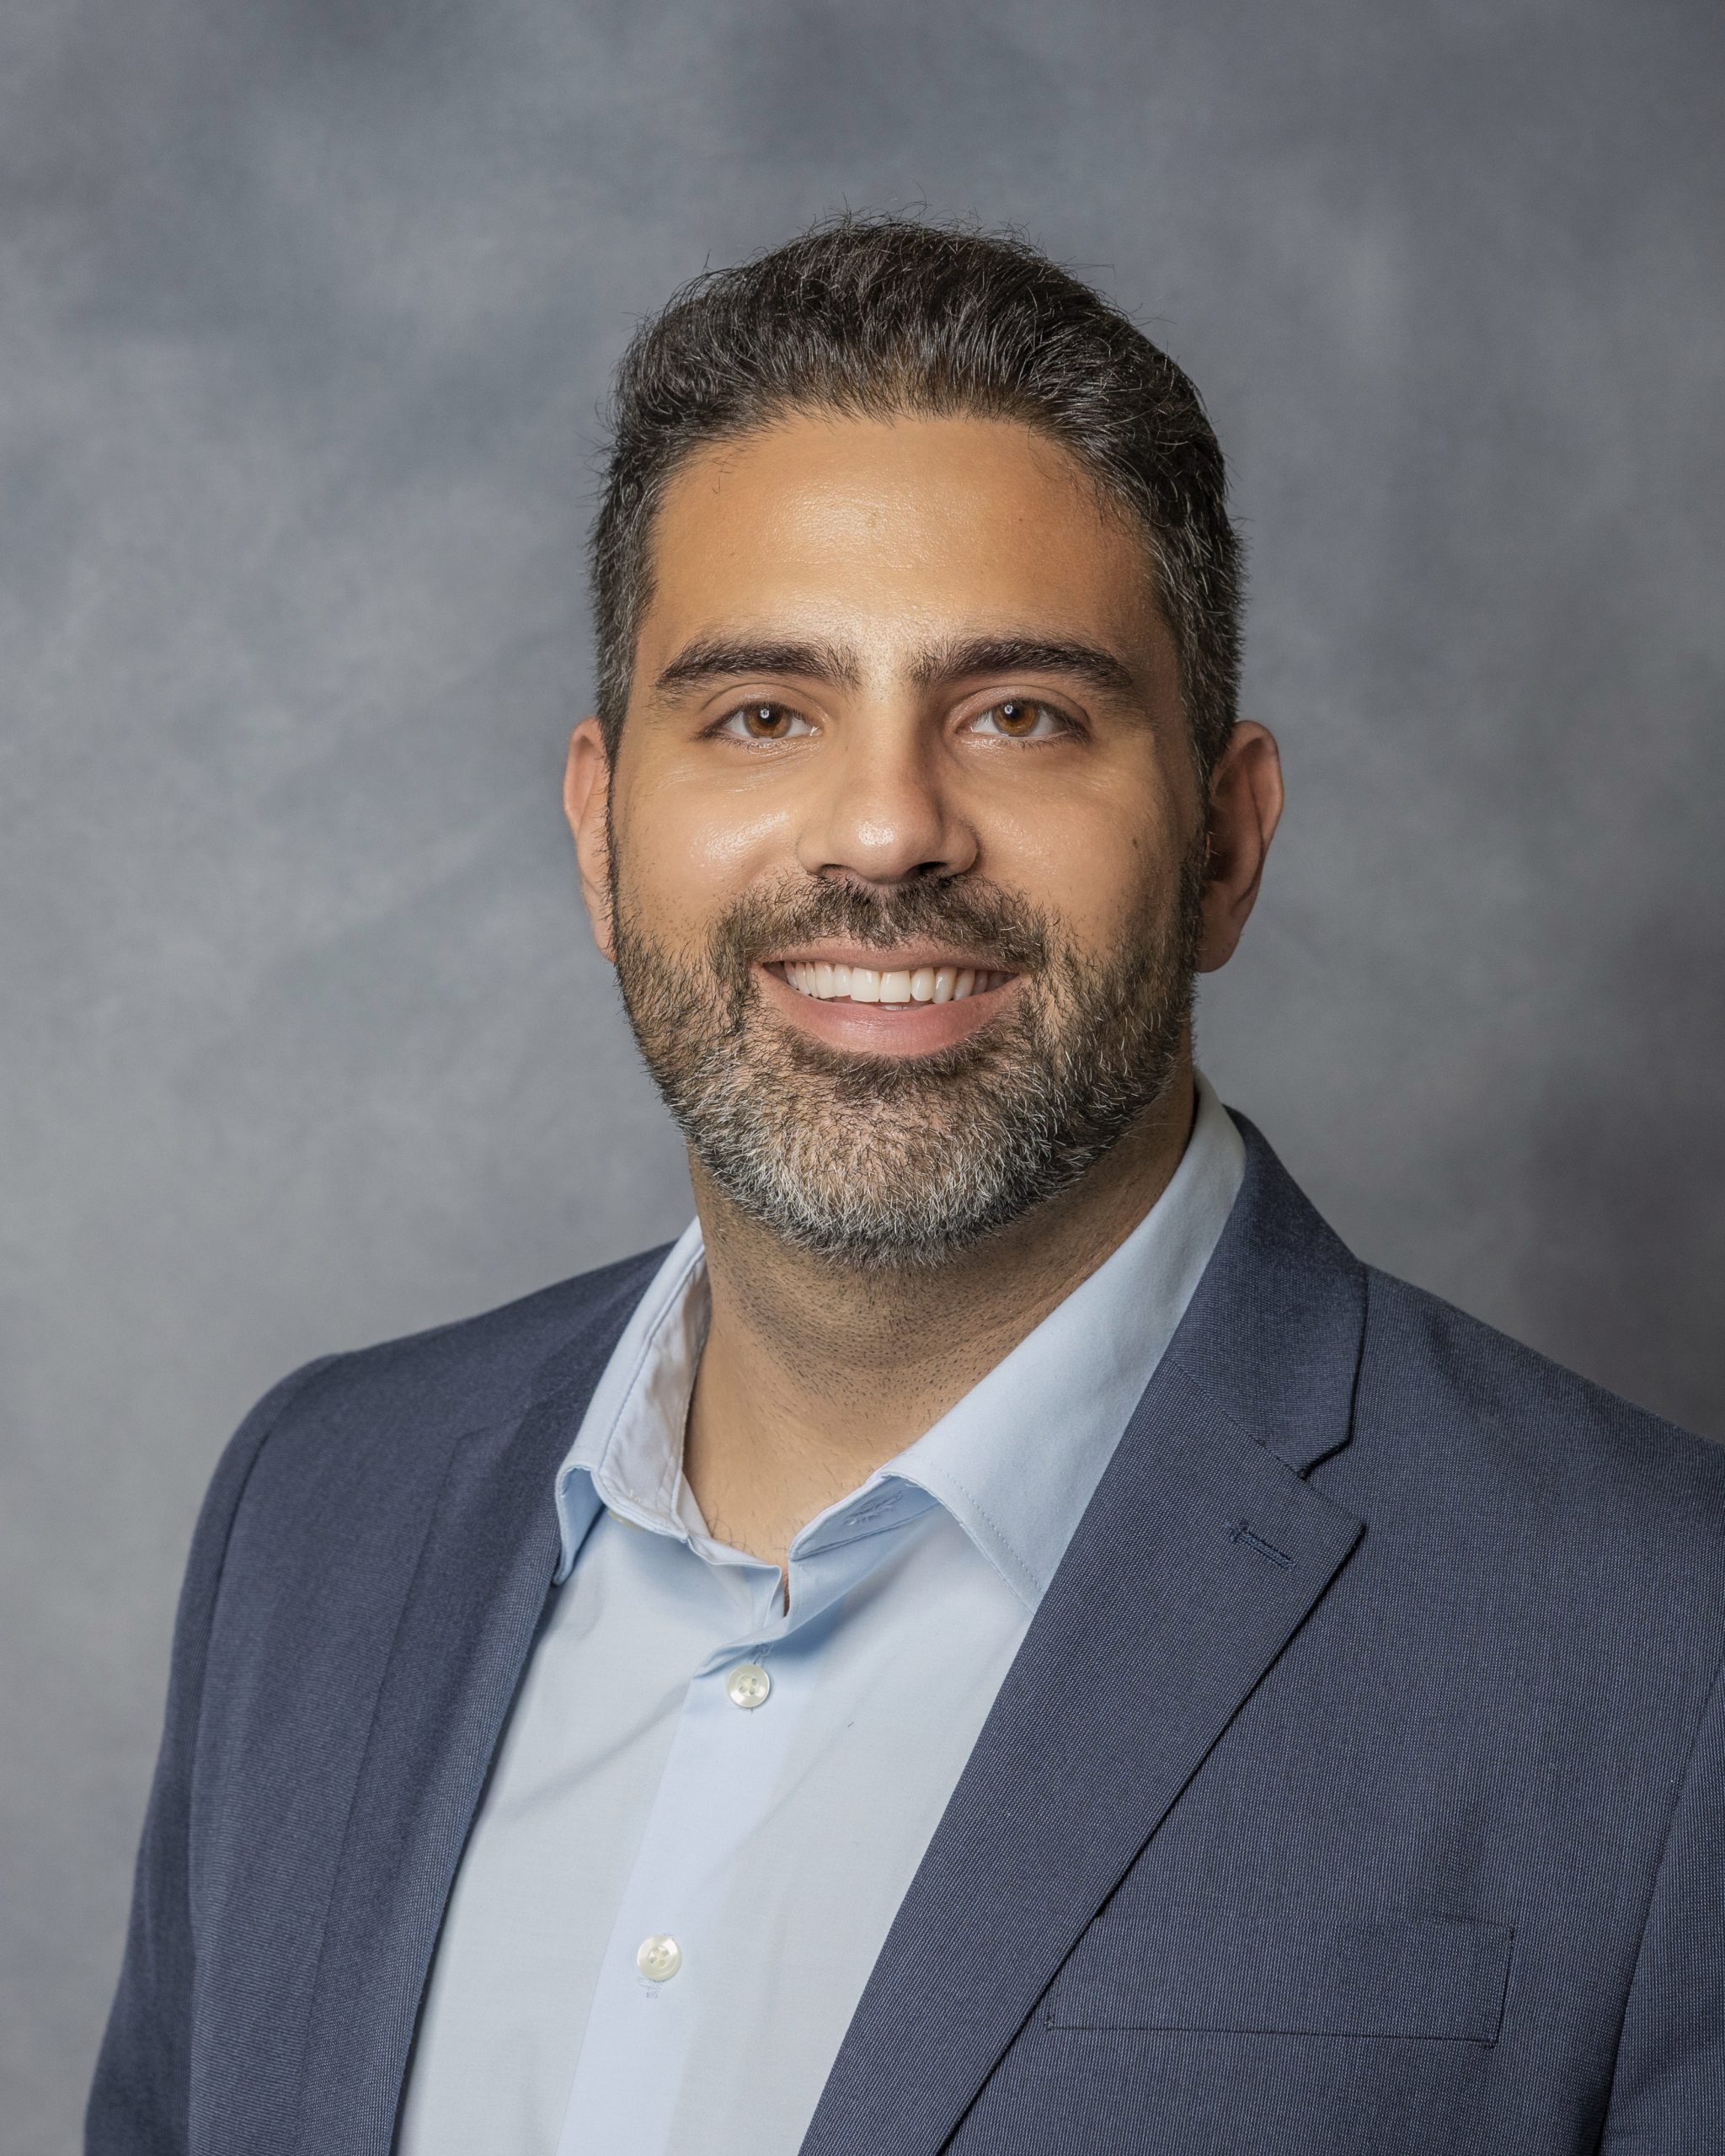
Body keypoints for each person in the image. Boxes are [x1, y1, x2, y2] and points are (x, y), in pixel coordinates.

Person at [88, 216, 1725, 2156]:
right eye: (762, 714)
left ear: (1222, 841)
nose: (885, 830)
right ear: (601, 832)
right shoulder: (316, 1512)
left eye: (1021, 712)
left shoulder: (1662, 1643)